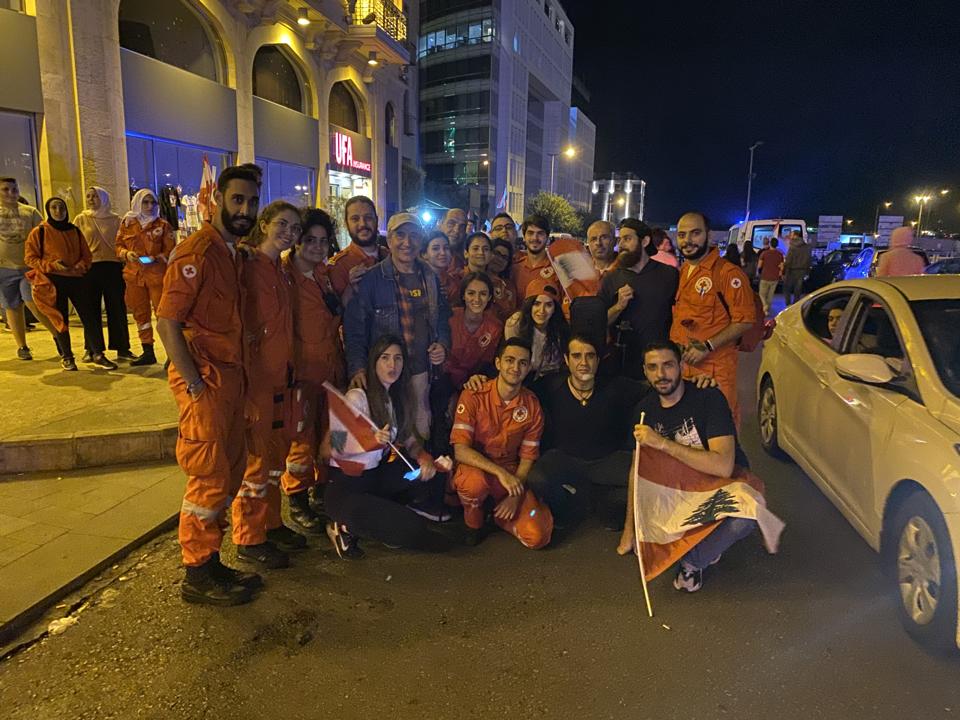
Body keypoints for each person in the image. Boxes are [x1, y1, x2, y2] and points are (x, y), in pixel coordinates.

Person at [156, 165, 262, 606]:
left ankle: (211, 561)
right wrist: (196, 384)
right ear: (218, 198)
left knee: (230, 471)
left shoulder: (233, 254)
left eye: (252, 202)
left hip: (230, 380)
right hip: (206, 383)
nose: (245, 210)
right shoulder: (196, 252)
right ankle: (197, 574)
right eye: (237, 200)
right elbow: (167, 322)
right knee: (209, 475)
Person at [620, 342, 756, 593]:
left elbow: (723, 466)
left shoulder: (708, 398)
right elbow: (636, 471)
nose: (661, 374)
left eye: (668, 365)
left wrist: (662, 443)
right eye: (653, 367)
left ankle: (692, 561)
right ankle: (704, 540)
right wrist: (631, 528)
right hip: (678, 491)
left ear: (682, 366)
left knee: (745, 516)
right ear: (645, 371)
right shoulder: (643, 411)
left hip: (718, 485)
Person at [325, 336, 454, 558]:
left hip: (375, 478)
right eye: (385, 358)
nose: (392, 365)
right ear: (374, 362)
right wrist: (370, 439)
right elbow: (331, 447)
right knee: (412, 530)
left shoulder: (395, 398)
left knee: (420, 473)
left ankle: (391, 510)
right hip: (347, 485)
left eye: (397, 358)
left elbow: (409, 440)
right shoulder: (358, 397)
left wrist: (426, 460)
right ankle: (344, 526)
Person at [231, 200, 306, 570]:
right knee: (257, 463)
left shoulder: (282, 270)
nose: (289, 233)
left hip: (283, 377)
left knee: (276, 459)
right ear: (264, 224)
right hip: (257, 379)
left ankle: (272, 524)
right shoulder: (246, 266)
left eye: (295, 228)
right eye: (283, 224)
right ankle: (249, 537)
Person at [343, 212, 450, 439]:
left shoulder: (430, 276)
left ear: (421, 241)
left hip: (420, 371)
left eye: (413, 236)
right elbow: (355, 329)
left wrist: (442, 343)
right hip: (387, 373)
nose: (407, 242)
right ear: (389, 240)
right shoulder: (371, 279)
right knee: (388, 432)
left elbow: (441, 317)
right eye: (400, 235)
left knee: (421, 431)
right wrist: (358, 368)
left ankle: (421, 470)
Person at [450, 337, 553, 548]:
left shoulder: (532, 406)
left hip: (510, 473)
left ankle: (499, 515)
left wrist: (515, 494)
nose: (515, 367)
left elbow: (527, 457)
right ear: (498, 363)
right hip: (476, 467)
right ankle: (474, 521)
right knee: (473, 485)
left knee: (538, 536)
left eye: (523, 362)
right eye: (509, 360)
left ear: (529, 367)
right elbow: (460, 450)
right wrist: (500, 473)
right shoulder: (473, 394)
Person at [281, 208, 345, 533]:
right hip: (301, 376)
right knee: (301, 442)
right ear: (296, 240)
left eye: (323, 240)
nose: (317, 246)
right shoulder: (283, 276)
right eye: (310, 240)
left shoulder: (323, 275)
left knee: (328, 435)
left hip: (330, 370)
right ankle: (297, 499)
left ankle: (322, 493)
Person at [670, 211, 756, 427]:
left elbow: (745, 319)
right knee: (688, 432)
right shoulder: (684, 272)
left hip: (715, 369)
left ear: (708, 236)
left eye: (695, 233)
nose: (687, 241)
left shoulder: (728, 274)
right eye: (682, 235)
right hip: (684, 368)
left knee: (718, 432)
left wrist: (707, 346)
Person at [24, 198, 116, 370]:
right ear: (48, 210)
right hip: (52, 281)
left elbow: (86, 254)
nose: (58, 211)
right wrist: (52, 266)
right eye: (54, 207)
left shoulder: (74, 230)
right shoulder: (40, 231)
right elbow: (30, 258)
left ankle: (97, 353)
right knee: (60, 319)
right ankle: (67, 356)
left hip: (76, 279)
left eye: (61, 207)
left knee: (90, 317)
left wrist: (81, 265)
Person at [600, 218, 678, 379]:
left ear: (645, 241)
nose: (621, 245)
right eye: (620, 240)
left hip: (660, 366)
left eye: (627, 239)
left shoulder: (669, 275)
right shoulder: (611, 278)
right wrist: (618, 306)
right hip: (621, 367)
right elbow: (599, 322)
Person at [73, 186, 133, 361]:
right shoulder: (81, 219)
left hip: (113, 268)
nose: (91, 199)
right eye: (88, 196)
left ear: (104, 198)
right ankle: (91, 348)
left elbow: (123, 242)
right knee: (90, 310)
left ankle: (122, 347)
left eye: (95, 196)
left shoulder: (116, 220)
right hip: (90, 268)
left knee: (117, 309)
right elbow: (76, 243)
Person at [116, 189, 175, 366]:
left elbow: (171, 251)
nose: (149, 206)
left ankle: (172, 355)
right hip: (134, 277)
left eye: (153, 203)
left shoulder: (163, 226)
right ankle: (147, 351)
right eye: (145, 202)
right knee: (140, 315)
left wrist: (155, 258)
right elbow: (118, 246)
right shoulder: (127, 224)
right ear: (137, 203)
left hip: (157, 276)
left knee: (164, 316)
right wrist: (126, 254)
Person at [0, 177, 57, 360]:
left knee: (34, 303)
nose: (11, 193)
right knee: (12, 306)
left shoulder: (30, 212)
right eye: (5, 189)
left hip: (28, 268)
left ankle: (58, 337)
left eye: (14, 189)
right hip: (4, 268)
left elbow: (45, 237)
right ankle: (22, 346)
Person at [504, 276, 568, 385]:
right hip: (522, 376)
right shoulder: (515, 323)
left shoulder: (560, 328)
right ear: (529, 305)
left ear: (554, 309)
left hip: (551, 379)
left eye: (548, 305)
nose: (542, 311)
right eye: (537, 304)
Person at [444, 271, 503, 388]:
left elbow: (486, 364)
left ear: (489, 297)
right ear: (463, 296)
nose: (477, 299)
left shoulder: (495, 327)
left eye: (483, 294)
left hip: (474, 381)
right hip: (443, 379)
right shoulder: (449, 317)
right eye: (471, 293)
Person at [327, 196, 386, 300]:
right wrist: (351, 287)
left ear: (376, 220)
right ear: (346, 224)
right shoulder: (337, 266)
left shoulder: (389, 255)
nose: (363, 224)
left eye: (368, 217)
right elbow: (341, 311)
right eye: (355, 219)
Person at [449, 231, 515, 321]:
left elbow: (505, 314)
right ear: (466, 253)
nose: (481, 252)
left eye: (486, 249)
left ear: (491, 255)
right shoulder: (455, 279)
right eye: (475, 248)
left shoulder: (498, 284)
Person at [511, 214, 555, 299]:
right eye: (530, 233)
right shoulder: (514, 269)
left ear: (547, 238)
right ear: (524, 237)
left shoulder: (557, 269)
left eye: (540, 233)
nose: (535, 238)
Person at [421, 230, 459, 301]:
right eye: (435, 248)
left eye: (446, 248)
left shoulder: (451, 283)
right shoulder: (416, 278)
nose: (443, 253)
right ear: (424, 254)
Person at [756, 237, 784, 316]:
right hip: (775, 277)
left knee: (762, 294)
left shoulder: (764, 253)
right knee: (770, 295)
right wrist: (780, 274)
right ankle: (767, 309)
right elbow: (781, 267)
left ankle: (765, 306)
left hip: (765, 276)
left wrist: (758, 272)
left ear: (770, 244)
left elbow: (759, 265)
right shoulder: (780, 254)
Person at [782, 231, 811, 305]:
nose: (789, 236)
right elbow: (808, 259)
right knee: (798, 289)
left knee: (787, 288)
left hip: (791, 270)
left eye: (791, 235)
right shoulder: (806, 247)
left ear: (795, 236)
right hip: (802, 270)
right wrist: (807, 271)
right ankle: (796, 303)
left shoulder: (792, 246)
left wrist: (783, 270)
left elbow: (788, 260)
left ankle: (788, 304)